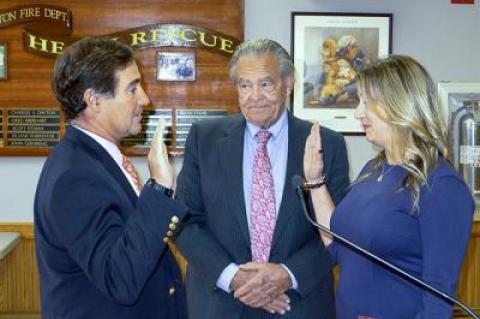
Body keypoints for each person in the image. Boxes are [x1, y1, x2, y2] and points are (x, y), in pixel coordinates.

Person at [175, 38, 350, 318]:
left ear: (288, 84)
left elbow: (339, 230)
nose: (254, 96)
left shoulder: (326, 144)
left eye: (265, 84)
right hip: (221, 304)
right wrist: (237, 279)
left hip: (297, 303)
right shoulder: (203, 139)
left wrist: (287, 275)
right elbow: (184, 221)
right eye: (245, 85)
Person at [303, 55, 474, 319]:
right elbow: (338, 247)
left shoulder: (441, 185)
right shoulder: (373, 170)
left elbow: (438, 299)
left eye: (367, 102)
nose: (358, 112)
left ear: (400, 104)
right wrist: (315, 182)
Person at [34, 37, 188, 319]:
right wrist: (160, 188)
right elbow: (120, 278)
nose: (145, 99)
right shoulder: (75, 176)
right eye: (132, 89)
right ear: (94, 101)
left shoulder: (95, 159)